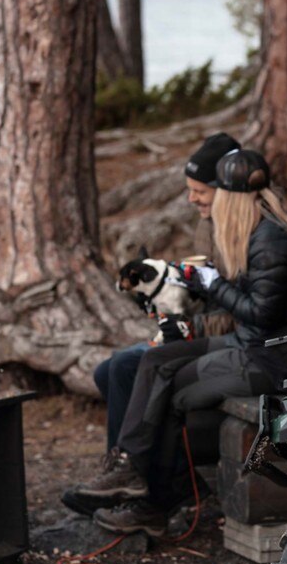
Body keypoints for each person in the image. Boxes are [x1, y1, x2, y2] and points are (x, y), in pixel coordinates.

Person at [77, 149, 287, 537]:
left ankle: (153, 504)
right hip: (250, 344)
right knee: (157, 360)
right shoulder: (257, 231)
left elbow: (263, 315)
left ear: (231, 197)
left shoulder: (270, 239)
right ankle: (127, 465)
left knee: (173, 388)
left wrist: (212, 283)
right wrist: (197, 290)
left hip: (273, 359)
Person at [88, 132, 240, 458]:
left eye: (200, 191)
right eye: (190, 190)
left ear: (226, 190)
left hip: (222, 341)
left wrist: (190, 328)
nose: (191, 199)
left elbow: (240, 310)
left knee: (127, 367)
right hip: (202, 329)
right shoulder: (209, 226)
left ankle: (142, 476)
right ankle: (129, 466)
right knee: (106, 371)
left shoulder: (243, 236)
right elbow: (209, 290)